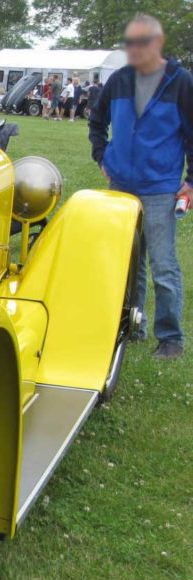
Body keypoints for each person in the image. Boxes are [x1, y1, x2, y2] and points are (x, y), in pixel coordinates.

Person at [89, 14, 192, 360]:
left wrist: (190, 182)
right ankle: (134, 324)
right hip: (121, 186)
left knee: (163, 265)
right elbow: (96, 121)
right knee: (128, 261)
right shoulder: (118, 81)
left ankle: (171, 338)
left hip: (161, 189)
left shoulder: (181, 83)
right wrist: (102, 156)